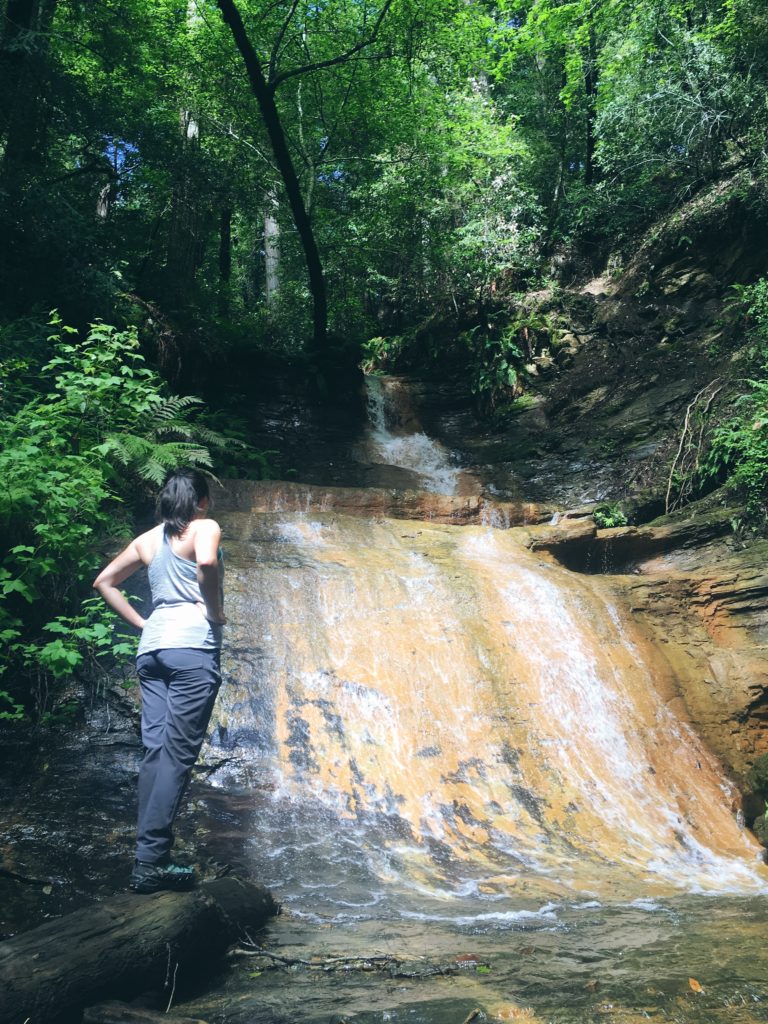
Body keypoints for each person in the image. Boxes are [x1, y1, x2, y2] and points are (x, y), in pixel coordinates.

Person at [92, 468, 226, 894]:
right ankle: (151, 862)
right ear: (201, 501)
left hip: (151, 650)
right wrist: (215, 611)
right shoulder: (204, 526)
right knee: (177, 755)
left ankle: (149, 856)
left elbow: (104, 582)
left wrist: (141, 623)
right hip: (192, 648)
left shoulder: (147, 540)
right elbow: (205, 562)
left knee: (155, 751)